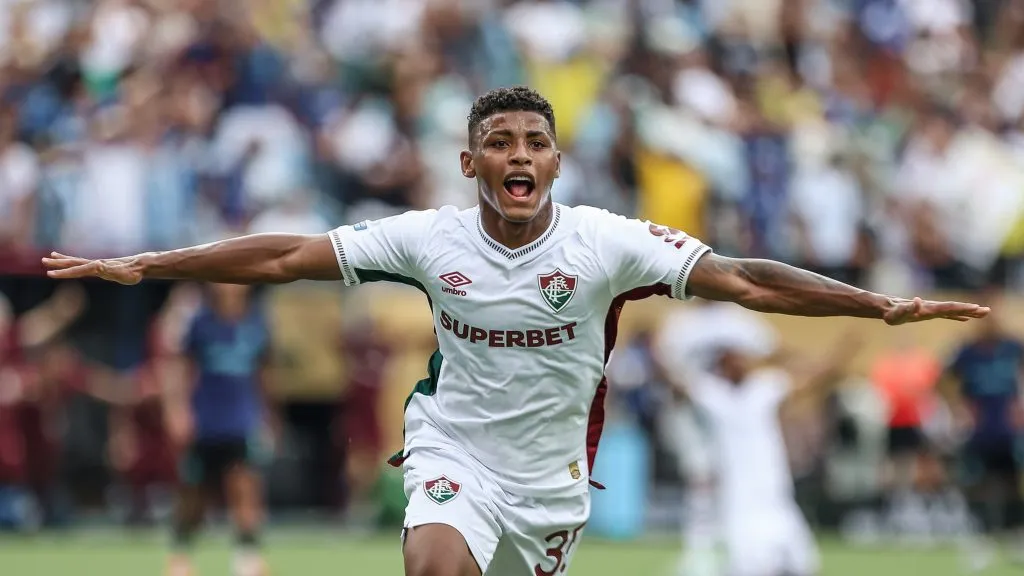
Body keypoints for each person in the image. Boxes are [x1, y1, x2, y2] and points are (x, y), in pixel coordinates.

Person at [43, 86, 989, 576]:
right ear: (471, 161)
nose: (519, 155)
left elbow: (742, 280)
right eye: (501, 143)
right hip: (452, 445)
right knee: (435, 560)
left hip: (550, 483)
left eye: (534, 142)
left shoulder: (608, 242)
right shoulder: (425, 238)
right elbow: (287, 257)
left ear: (556, 160)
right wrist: (151, 263)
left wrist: (878, 306)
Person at [667, 333, 858, 576]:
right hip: (739, 501)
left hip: (775, 493)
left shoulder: (764, 388)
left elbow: (812, 380)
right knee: (750, 567)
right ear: (721, 365)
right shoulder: (713, 394)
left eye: (742, 357)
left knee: (803, 565)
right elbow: (677, 386)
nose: (740, 363)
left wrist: (842, 353)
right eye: (732, 359)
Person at [160, 283, 275, 576]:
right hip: (205, 421)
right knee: (195, 495)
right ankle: (180, 555)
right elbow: (180, 369)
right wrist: (177, 411)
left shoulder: (257, 322)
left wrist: (268, 418)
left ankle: (246, 559)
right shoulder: (200, 323)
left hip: (242, 420)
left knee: (245, 488)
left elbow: (265, 376)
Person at [944, 291, 1024, 562]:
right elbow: (943, 382)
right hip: (979, 429)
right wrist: (959, 410)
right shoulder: (968, 351)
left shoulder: (1013, 347)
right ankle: (981, 539)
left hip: (1008, 429)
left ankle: (1015, 536)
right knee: (978, 483)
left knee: (1012, 482)